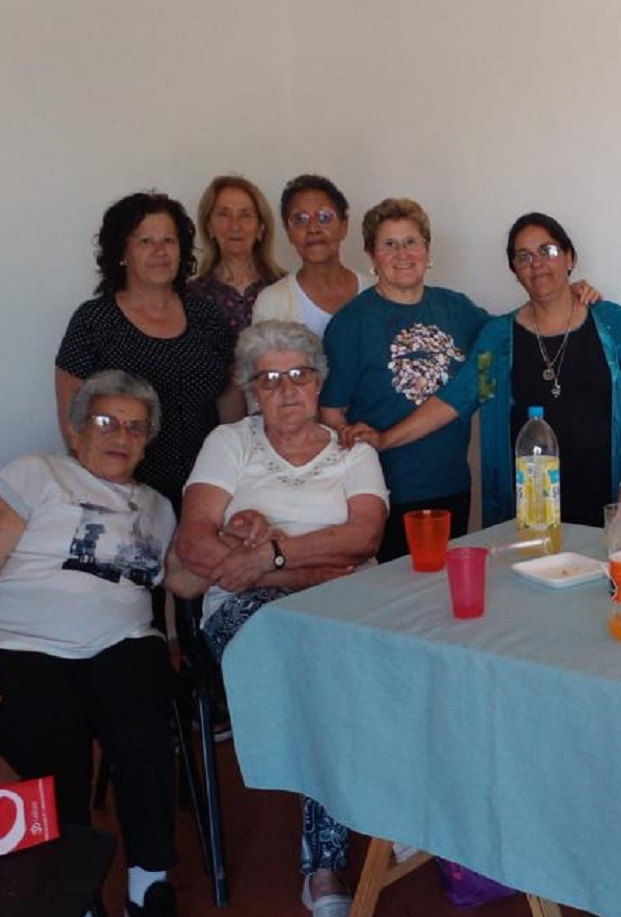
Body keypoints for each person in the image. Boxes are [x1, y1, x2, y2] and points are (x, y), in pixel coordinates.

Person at [168, 320, 387, 916]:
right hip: (247, 610)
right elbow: (193, 543)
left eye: (298, 375)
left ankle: (395, 810)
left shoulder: (354, 451)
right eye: (269, 380)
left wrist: (269, 555)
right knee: (325, 676)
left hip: (345, 606)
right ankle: (325, 864)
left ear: (318, 382)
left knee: (397, 659)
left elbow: (364, 538)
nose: (287, 390)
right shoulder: (229, 443)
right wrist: (302, 571)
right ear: (251, 389)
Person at [342, 211, 621, 531]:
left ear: (569, 257)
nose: (537, 263)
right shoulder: (499, 337)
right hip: (529, 511)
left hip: (607, 499)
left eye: (547, 250)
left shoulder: (612, 323)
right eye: (524, 257)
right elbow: (455, 399)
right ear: (515, 271)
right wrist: (385, 439)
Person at [0, 371, 179, 917]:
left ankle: (148, 883)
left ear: (146, 443)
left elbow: (184, 581)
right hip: (24, 641)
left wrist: (242, 541)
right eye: (105, 421)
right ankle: (72, 890)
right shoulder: (38, 472)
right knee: (50, 735)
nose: (121, 435)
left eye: (135, 427)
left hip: (122, 640)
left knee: (145, 732)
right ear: (76, 431)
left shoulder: (159, 507)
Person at [319, 197, 492, 557]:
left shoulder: (458, 309)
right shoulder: (352, 323)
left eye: (411, 241)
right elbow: (331, 412)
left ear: (427, 250)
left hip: (451, 483)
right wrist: (357, 450)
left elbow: (505, 345)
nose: (402, 254)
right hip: (383, 492)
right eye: (389, 244)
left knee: (441, 586)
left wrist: (570, 294)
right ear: (371, 255)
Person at [56, 191, 241, 511]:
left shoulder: (207, 316)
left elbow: (230, 406)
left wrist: (234, 474)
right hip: (122, 497)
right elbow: (73, 424)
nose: (160, 251)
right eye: (145, 241)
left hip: (209, 490)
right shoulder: (93, 321)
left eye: (169, 240)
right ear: (122, 252)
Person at [251, 174, 372, 338]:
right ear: (288, 232)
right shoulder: (272, 303)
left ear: (344, 226)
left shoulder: (376, 290)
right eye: (300, 219)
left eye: (324, 217)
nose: (313, 229)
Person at [188, 175, 286, 333]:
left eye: (245, 215)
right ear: (209, 227)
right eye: (224, 214)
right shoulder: (192, 294)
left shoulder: (286, 288)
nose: (235, 226)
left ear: (261, 229)